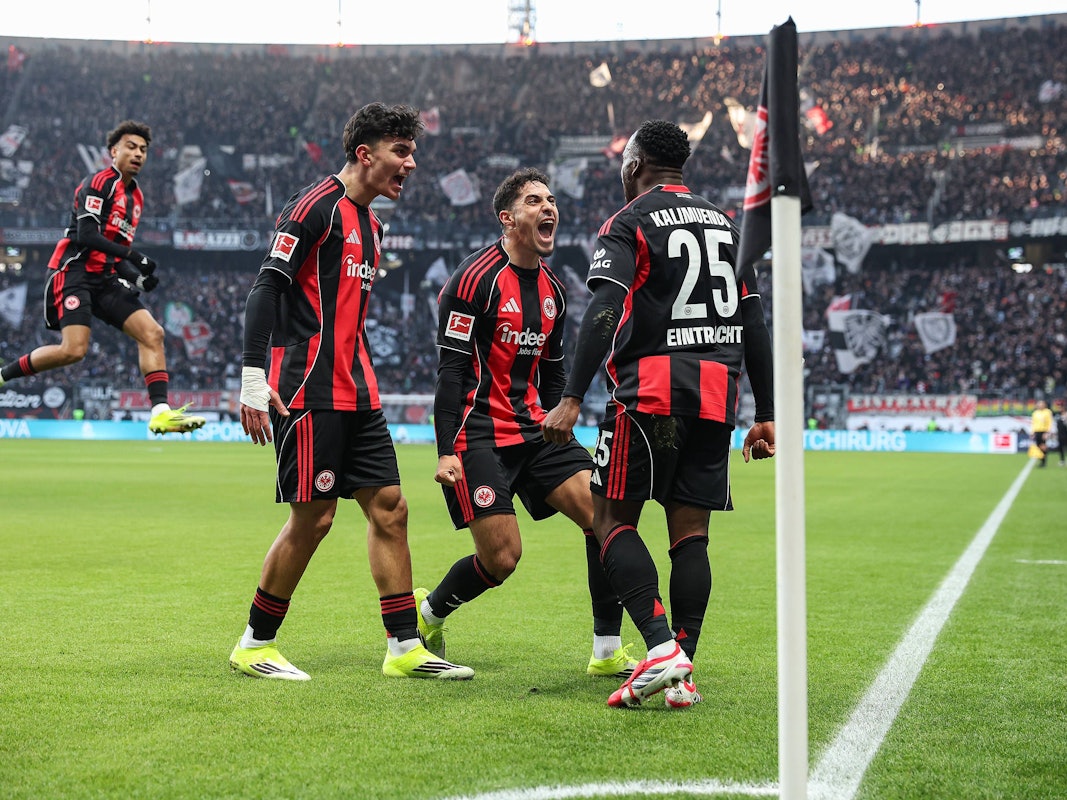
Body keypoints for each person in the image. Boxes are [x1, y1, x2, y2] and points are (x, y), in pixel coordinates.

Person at [230, 103, 472, 681]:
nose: (411, 164)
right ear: (365, 154)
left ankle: (404, 646)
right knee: (313, 520)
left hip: (360, 392)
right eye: (401, 152)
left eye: (412, 152)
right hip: (308, 388)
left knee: (391, 509)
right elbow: (266, 287)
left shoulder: (373, 225)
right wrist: (252, 376)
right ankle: (255, 644)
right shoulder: (314, 208)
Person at [543, 120, 775, 709]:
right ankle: (683, 669)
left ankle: (660, 646)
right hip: (717, 397)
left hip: (649, 394)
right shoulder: (728, 226)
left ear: (634, 165)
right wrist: (767, 410)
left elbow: (605, 307)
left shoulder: (630, 221)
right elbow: (753, 321)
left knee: (608, 519)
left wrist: (571, 396)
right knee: (691, 534)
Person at [414, 168, 637, 680]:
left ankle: (606, 649)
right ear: (508, 218)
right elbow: (451, 374)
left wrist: (562, 421)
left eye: (551, 200)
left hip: (535, 430)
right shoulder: (473, 280)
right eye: (535, 200)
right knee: (502, 559)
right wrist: (445, 449)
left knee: (603, 516)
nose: (548, 207)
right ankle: (429, 612)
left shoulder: (555, 289)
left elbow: (554, 368)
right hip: (478, 434)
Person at [0, 120, 205, 435]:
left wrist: (137, 279)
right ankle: (3, 375)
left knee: (153, 333)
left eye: (143, 150)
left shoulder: (137, 198)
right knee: (73, 350)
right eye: (131, 147)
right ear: (113, 151)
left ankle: (160, 413)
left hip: (105, 278)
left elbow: (115, 253)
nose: (138, 154)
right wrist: (134, 256)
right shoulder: (99, 182)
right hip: (74, 271)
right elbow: (87, 235)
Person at [1030, 400, 1053, 468]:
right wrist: (1032, 432)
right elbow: (1033, 423)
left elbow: (1049, 422)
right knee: (1038, 445)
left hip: (1044, 431)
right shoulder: (1035, 413)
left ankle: (1044, 461)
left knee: (1043, 446)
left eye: (1041, 404)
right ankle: (1042, 459)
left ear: (1044, 405)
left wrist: (1047, 432)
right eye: (1039, 404)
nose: (1040, 405)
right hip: (1037, 431)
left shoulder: (1047, 412)